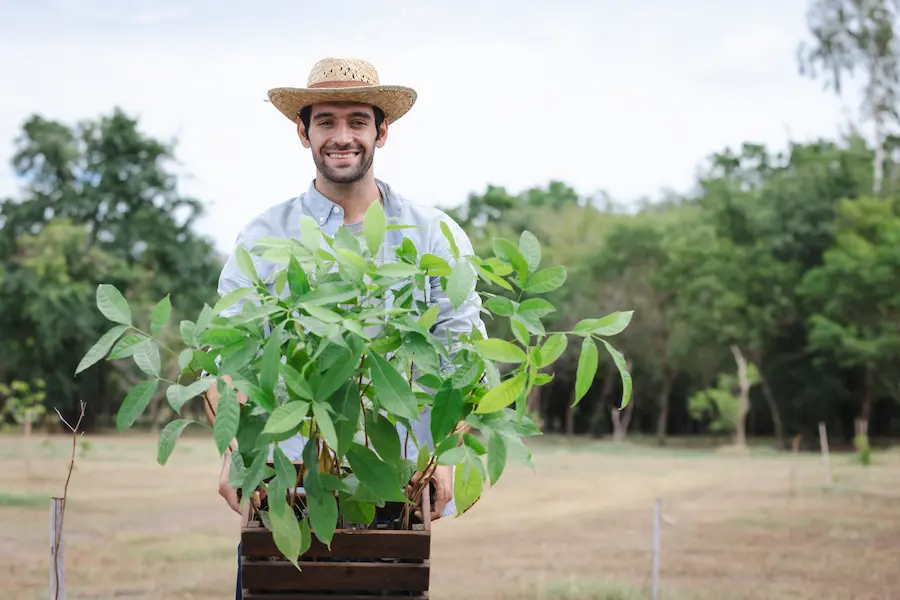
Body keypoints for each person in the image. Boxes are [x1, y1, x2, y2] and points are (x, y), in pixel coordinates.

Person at [201, 56, 486, 595]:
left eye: (357, 120)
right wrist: (236, 449)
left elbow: (463, 356)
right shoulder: (264, 236)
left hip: (394, 495)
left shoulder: (433, 236)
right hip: (286, 489)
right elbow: (224, 359)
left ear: (382, 130)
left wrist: (450, 453)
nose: (342, 136)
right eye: (326, 121)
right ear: (303, 131)